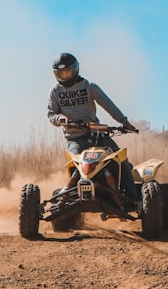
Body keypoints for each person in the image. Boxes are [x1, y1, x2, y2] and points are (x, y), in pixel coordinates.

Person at [47, 52, 140, 201]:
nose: (65, 75)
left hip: (97, 135)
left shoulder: (89, 87)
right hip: (74, 139)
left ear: (75, 69)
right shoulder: (55, 92)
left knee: (121, 161)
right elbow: (51, 115)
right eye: (61, 73)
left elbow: (108, 105)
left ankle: (134, 198)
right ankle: (69, 199)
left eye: (68, 72)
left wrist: (124, 122)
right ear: (56, 74)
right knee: (76, 167)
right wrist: (62, 119)